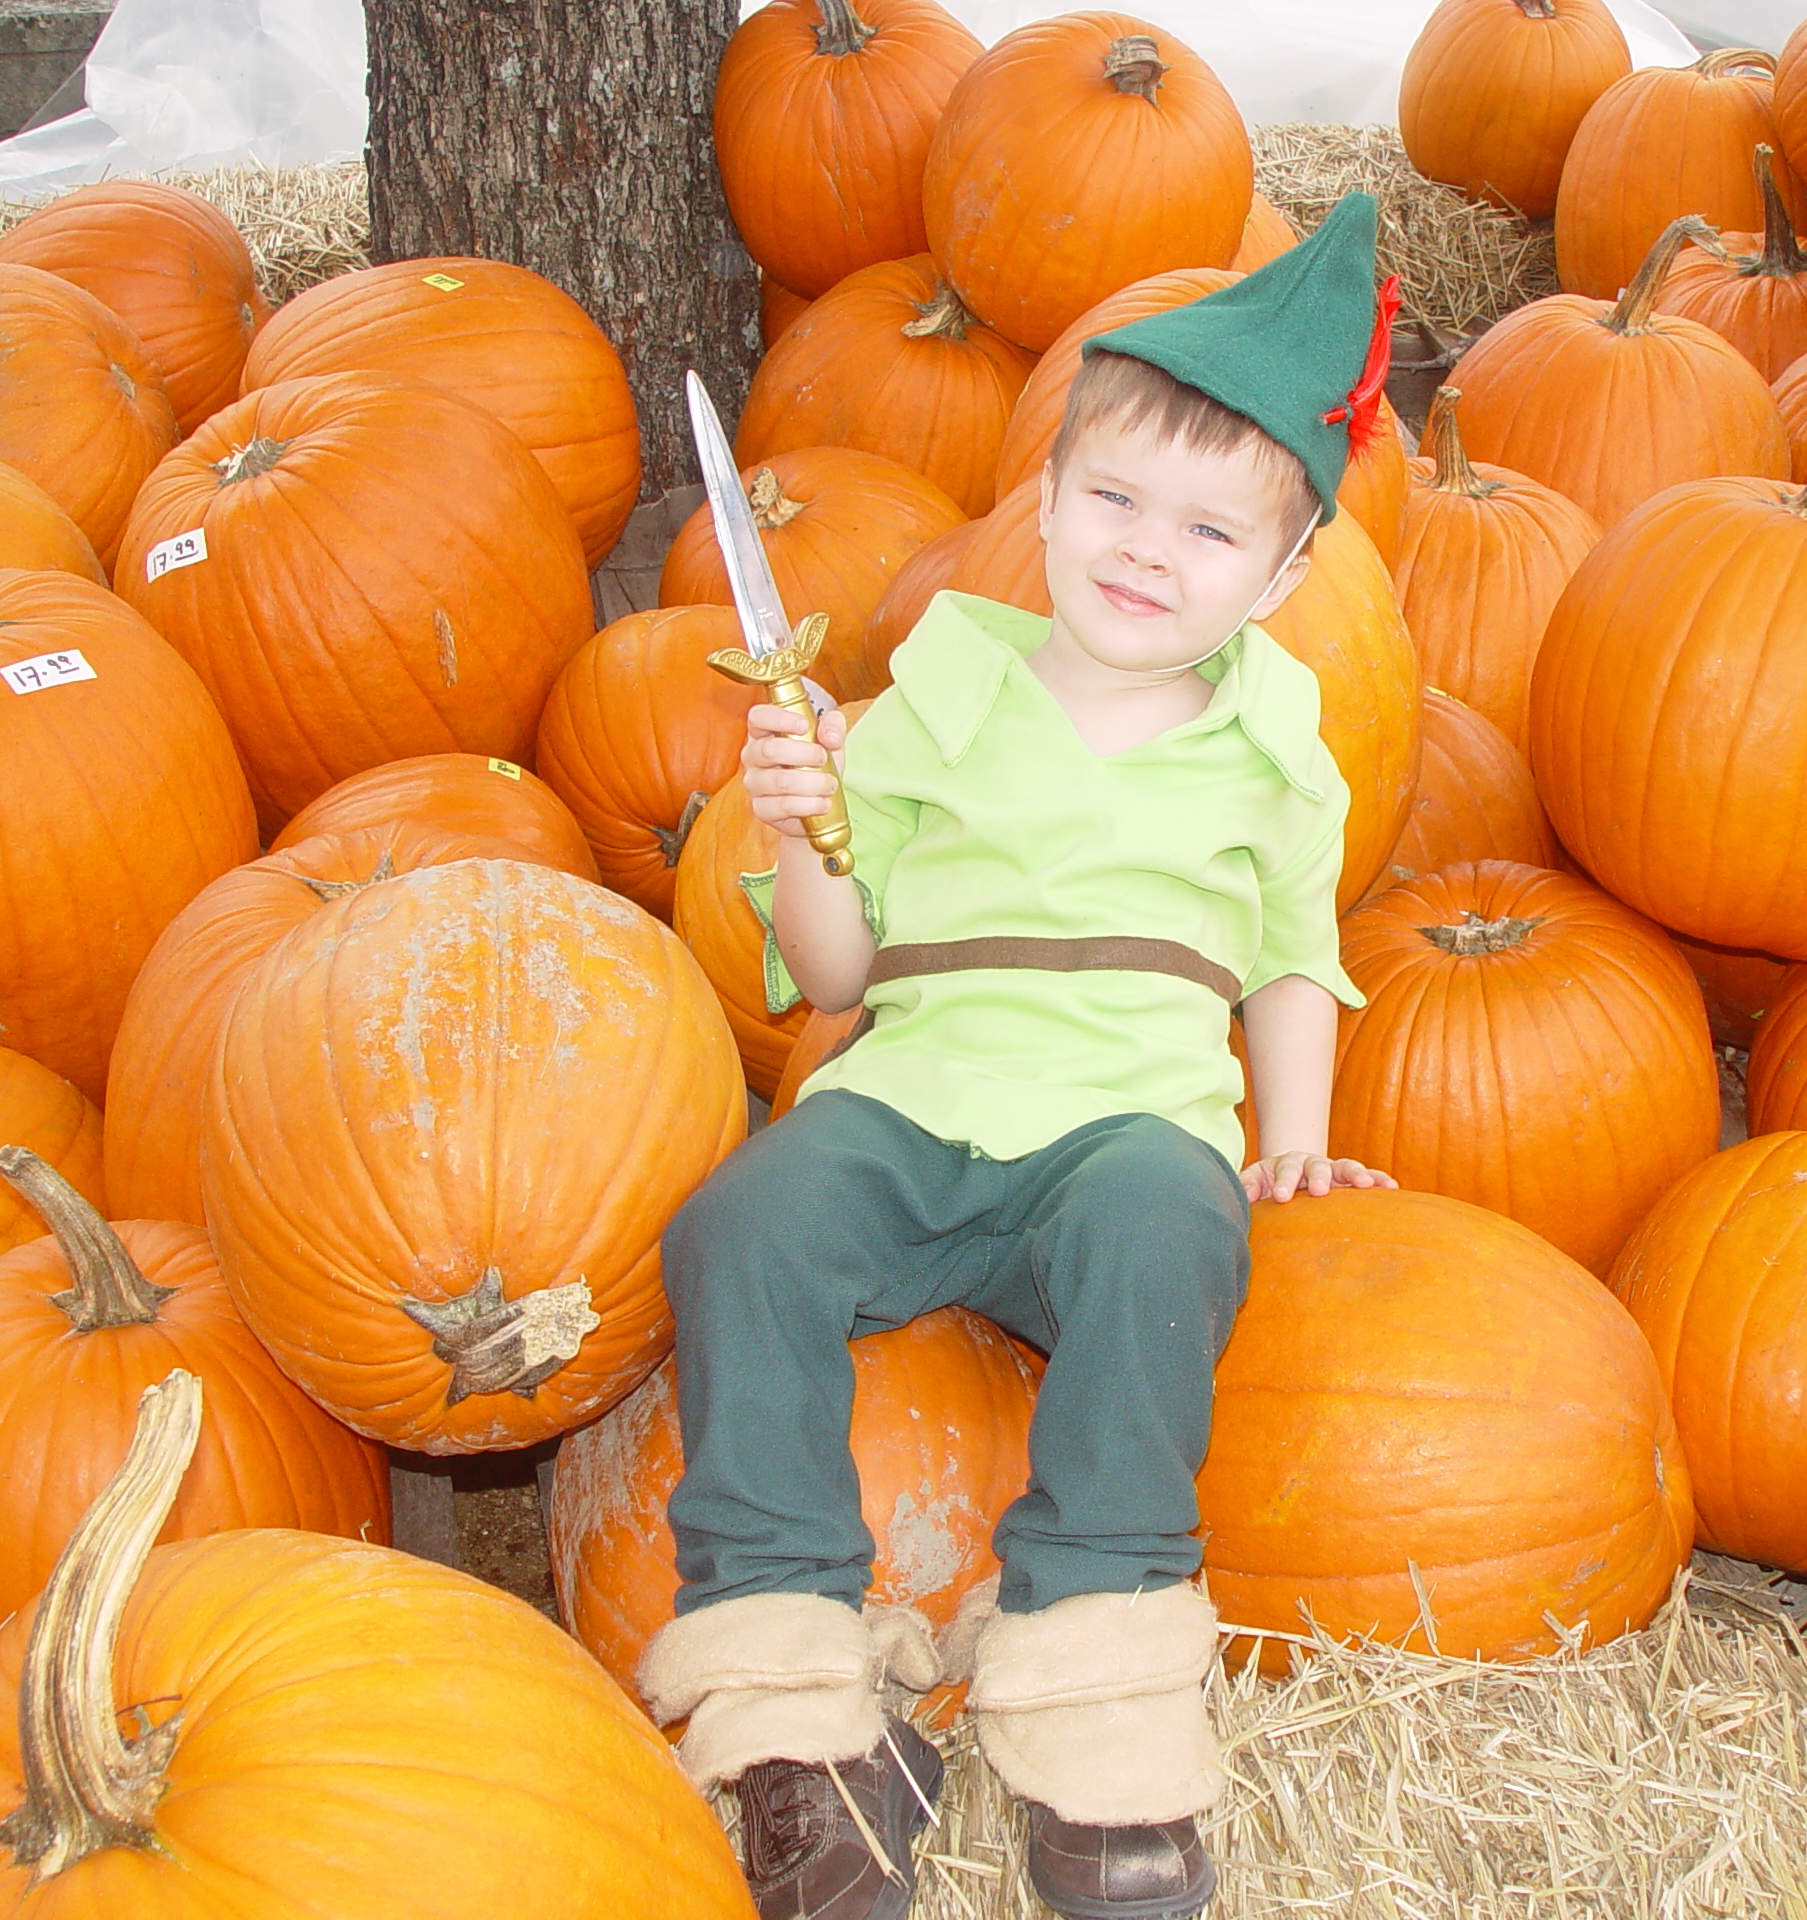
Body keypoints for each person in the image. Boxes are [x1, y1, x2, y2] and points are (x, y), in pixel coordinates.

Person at [642, 194, 1399, 1920]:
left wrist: (1289, 1138)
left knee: (1167, 1226)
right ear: (1044, 500)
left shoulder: (1281, 755)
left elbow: (1292, 960)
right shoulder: (938, 696)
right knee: (740, 1229)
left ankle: (1098, 1703)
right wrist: (810, 838)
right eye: (1113, 496)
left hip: (1123, 1119)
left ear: (1285, 580)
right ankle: (793, 1699)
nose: (1146, 548)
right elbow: (838, 973)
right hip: (918, 1094)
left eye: (1211, 531)